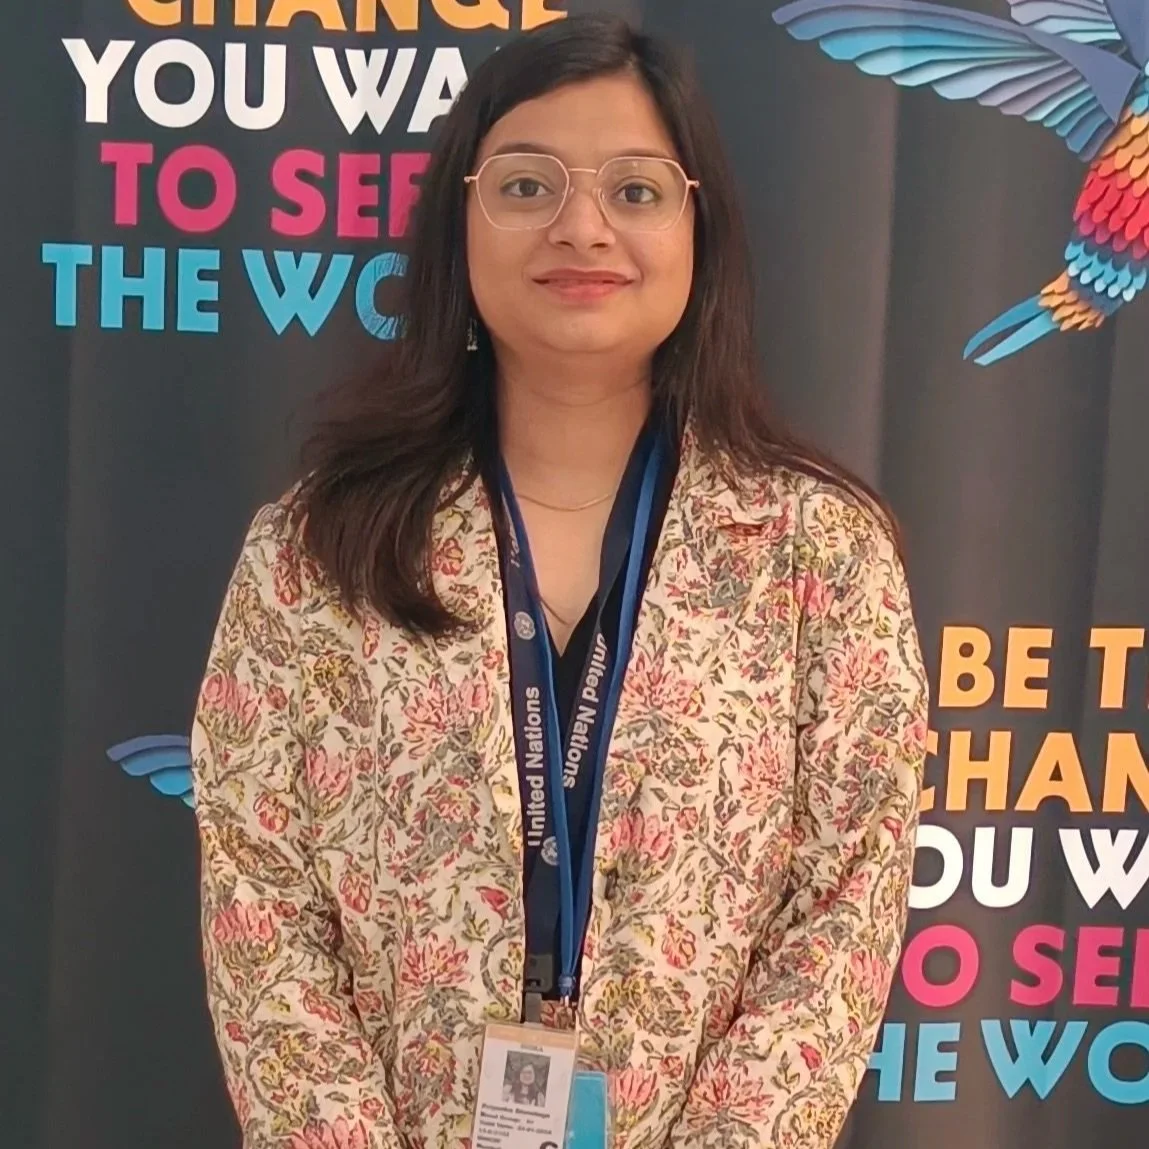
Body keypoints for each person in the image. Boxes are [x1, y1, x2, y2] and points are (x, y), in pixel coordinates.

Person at [190, 13, 929, 1149]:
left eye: (634, 191)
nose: (582, 227)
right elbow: (262, 895)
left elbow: (845, 899)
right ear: (460, 224)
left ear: (698, 228)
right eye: (527, 186)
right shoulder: (317, 546)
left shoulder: (818, 552)